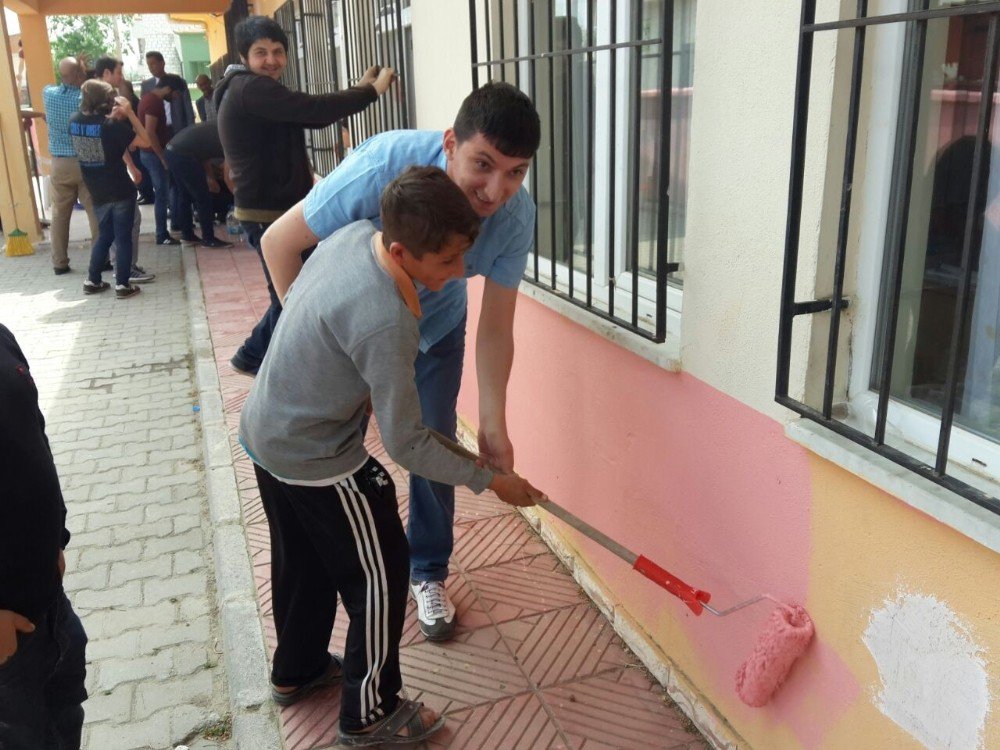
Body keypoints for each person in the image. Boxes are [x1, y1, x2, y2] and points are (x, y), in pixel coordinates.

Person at [239, 166, 545, 746]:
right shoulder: (389, 320)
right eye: (448, 263)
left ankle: (298, 669)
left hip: (264, 431)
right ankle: (372, 711)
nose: (458, 275)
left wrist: (483, 468)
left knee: (301, 561)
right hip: (314, 454)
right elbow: (406, 441)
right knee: (380, 575)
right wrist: (492, 481)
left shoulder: (354, 237)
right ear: (403, 250)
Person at [260, 81, 540, 641]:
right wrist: (330, 353)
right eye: (483, 164)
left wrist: (492, 426)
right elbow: (278, 243)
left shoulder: (513, 217)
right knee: (325, 460)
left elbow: (495, 328)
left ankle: (428, 570)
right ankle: (326, 593)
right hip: (357, 338)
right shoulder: (381, 167)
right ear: (449, 143)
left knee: (433, 446)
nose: (495, 191)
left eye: (516, 172)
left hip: (434, 336)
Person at [216, 14, 395, 377]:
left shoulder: (249, 90)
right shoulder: (251, 88)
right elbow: (314, 111)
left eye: (278, 51)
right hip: (269, 213)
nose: (271, 60)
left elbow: (302, 111)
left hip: (269, 208)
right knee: (295, 296)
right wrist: (371, 92)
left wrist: (357, 88)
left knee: (294, 292)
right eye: (261, 52)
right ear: (244, 55)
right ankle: (258, 359)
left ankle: (254, 357)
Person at [0, 323, 88, 748]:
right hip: (5, 642)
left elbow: (33, 433)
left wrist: (57, 534)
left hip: (49, 608)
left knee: (63, 719)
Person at [70, 79, 150, 299]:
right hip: (120, 190)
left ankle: (92, 280)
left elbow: (97, 136)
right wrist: (131, 114)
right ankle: (123, 285)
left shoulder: (74, 121)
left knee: (104, 235)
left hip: (96, 190)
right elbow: (146, 141)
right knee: (123, 238)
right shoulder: (113, 127)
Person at [94, 55, 154, 284]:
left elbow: (115, 142)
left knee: (113, 226)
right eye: (118, 72)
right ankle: (124, 270)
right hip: (113, 179)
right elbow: (142, 140)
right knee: (126, 223)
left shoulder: (90, 108)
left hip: (100, 177)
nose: (121, 77)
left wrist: (129, 164)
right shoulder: (105, 108)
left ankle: (120, 267)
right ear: (107, 74)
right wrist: (128, 113)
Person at [41, 57, 99, 275]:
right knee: (94, 211)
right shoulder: (84, 99)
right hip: (84, 162)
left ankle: (59, 262)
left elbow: (58, 82)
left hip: (59, 164)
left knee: (59, 215)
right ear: (78, 75)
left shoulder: (48, 94)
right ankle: (100, 259)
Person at [137, 75, 190, 246]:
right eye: (175, 95)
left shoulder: (146, 98)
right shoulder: (154, 102)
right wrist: (162, 157)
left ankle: (167, 229)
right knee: (161, 194)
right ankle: (161, 234)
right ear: (168, 89)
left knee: (164, 191)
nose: (174, 99)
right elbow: (150, 132)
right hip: (153, 154)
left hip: (148, 153)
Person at [165, 121, 233, 249]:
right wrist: (237, 197)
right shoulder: (229, 136)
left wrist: (210, 177)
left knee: (184, 195)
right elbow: (227, 173)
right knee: (203, 198)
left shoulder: (219, 128)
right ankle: (208, 239)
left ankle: (187, 236)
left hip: (172, 151)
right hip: (182, 155)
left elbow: (204, 155)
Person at [141, 51, 195, 133]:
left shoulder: (178, 81)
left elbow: (188, 108)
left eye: (153, 64)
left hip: (179, 128)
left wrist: (191, 130)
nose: (151, 68)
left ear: (162, 63)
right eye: (148, 65)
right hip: (158, 130)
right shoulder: (146, 86)